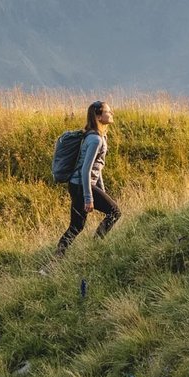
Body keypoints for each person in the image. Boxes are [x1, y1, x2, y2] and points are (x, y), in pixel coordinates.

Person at [54, 99, 121, 259]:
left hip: (79, 185)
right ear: (98, 116)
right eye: (107, 112)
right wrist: (89, 197)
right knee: (115, 212)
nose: (111, 114)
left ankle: (56, 258)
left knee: (76, 226)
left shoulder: (99, 137)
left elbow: (98, 170)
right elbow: (86, 169)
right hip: (80, 186)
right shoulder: (95, 139)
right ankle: (95, 247)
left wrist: (102, 191)